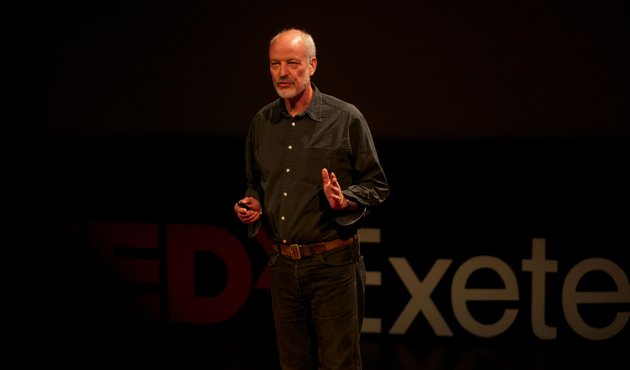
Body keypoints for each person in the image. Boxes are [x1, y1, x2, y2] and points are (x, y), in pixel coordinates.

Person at [234, 27, 389, 370]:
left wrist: (345, 199)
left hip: (332, 265)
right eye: (275, 64)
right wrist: (253, 204)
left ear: (312, 65)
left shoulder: (345, 117)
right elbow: (254, 184)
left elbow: (376, 185)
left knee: (339, 363)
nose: (283, 72)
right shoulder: (262, 122)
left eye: (292, 63)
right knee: (293, 363)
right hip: (283, 266)